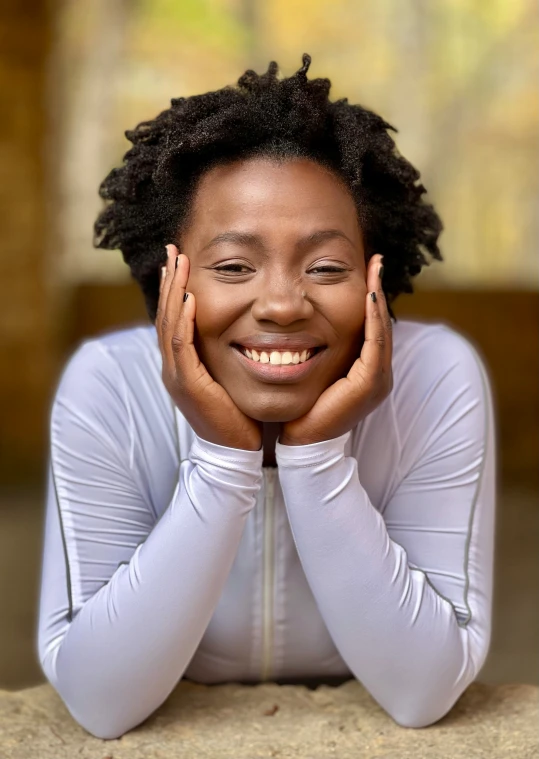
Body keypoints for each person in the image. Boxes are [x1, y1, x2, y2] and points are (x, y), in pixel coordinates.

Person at [36, 54, 496, 740]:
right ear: (170, 276)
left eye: (325, 266)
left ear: (377, 270)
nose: (282, 303)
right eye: (232, 266)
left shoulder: (436, 377)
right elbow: (100, 700)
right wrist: (224, 458)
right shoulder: (107, 385)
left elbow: (421, 689)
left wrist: (314, 455)